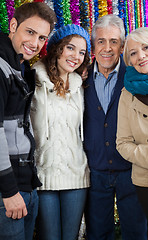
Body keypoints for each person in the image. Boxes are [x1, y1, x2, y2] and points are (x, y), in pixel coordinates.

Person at [83, 14, 147, 240]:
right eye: (101, 41)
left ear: (122, 46)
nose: (107, 48)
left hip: (131, 171)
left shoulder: (135, 76)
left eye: (114, 42)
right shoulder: (79, 78)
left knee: (135, 233)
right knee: (98, 233)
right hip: (95, 170)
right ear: (93, 45)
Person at [0, 2, 56, 240]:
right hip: (8, 191)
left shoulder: (19, 66)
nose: (35, 43)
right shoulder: (2, 68)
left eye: (42, 37)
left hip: (26, 185)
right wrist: (9, 191)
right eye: (30, 32)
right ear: (13, 25)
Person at [30, 24, 90, 240]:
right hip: (44, 175)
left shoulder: (80, 86)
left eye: (82, 52)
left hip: (76, 175)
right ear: (57, 48)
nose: (76, 56)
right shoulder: (34, 81)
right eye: (70, 48)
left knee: (71, 237)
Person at [116, 27, 148, 240]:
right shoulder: (127, 93)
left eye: (146, 47)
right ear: (129, 60)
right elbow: (122, 143)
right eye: (133, 53)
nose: (141, 55)